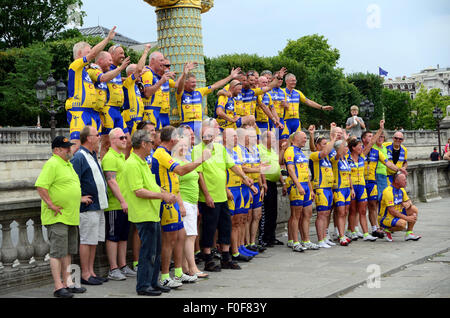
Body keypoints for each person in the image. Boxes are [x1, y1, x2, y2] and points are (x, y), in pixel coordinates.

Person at [192, 119, 255, 272]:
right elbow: (199, 175)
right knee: (209, 228)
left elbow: (232, 166)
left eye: (210, 134)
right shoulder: (197, 150)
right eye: (205, 134)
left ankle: (226, 258)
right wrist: (206, 195)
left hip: (222, 196)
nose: (208, 136)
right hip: (209, 197)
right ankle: (208, 260)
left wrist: (245, 178)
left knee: (225, 227)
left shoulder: (220, 148)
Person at [151, 125, 211, 287]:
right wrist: (201, 159)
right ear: (172, 139)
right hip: (166, 201)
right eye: (178, 136)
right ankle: (164, 275)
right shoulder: (161, 154)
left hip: (174, 199)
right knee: (169, 239)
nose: (180, 139)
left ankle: (179, 272)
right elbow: (181, 171)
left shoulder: (167, 153)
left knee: (180, 235)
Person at [122, 129, 176, 296]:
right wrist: (162, 195)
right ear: (143, 144)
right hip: (143, 213)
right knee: (147, 253)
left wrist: (164, 193)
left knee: (155, 251)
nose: (153, 145)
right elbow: (138, 191)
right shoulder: (132, 164)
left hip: (152, 212)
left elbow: (151, 185)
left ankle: (153, 282)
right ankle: (143, 285)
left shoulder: (143, 162)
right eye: (151, 143)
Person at [35, 136, 85, 298]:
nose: (69, 149)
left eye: (68, 146)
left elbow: (69, 187)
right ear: (57, 150)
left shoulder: (67, 164)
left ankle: (68, 282)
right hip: (57, 216)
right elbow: (41, 186)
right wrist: (51, 204)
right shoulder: (52, 163)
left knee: (68, 251)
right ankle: (58, 286)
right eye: (65, 147)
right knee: (57, 252)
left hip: (70, 216)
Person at [66, 27, 117, 153]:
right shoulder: (75, 66)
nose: (91, 54)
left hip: (91, 112)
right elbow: (94, 54)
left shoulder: (87, 73)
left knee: (94, 148)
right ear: (79, 54)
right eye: (88, 52)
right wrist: (107, 39)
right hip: (79, 111)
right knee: (76, 145)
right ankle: (70, 171)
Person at [70, 126, 109, 285]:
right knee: (87, 240)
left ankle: (91, 271)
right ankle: (85, 273)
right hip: (88, 208)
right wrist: (79, 197)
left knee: (94, 240)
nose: (100, 137)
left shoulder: (92, 155)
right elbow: (73, 181)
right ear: (89, 138)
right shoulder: (79, 157)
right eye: (97, 135)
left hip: (98, 205)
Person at [101, 128, 136, 281]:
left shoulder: (121, 156)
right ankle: (113, 268)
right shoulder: (110, 157)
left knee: (123, 237)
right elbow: (111, 181)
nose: (125, 140)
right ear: (112, 140)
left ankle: (122, 265)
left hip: (124, 203)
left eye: (125, 137)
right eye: (121, 138)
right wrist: (122, 200)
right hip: (115, 204)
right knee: (113, 236)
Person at [172, 131, 208, 278]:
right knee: (190, 236)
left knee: (189, 235)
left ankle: (186, 267)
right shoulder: (175, 162)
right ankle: (192, 268)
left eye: (186, 145)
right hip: (184, 201)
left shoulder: (186, 161)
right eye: (181, 145)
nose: (184, 148)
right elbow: (175, 186)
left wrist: (196, 204)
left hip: (192, 202)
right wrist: (181, 205)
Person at [176, 68, 242, 140]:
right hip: (186, 124)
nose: (195, 84)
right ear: (185, 83)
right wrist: (184, 74)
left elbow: (215, 85)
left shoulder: (199, 92)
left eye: (195, 82)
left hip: (199, 124)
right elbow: (179, 87)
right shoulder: (181, 94)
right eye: (192, 82)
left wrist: (231, 76)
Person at [87, 50, 131, 159]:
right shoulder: (94, 70)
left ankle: (122, 168)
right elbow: (104, 78)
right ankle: (105, 171)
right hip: (105, 110)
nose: (111, 63)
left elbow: (111, 78)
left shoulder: (109, 71)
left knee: (127, 141)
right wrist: (120, 68)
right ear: (101, 60)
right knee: (105, 143)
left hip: (115, 111)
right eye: (109, 60)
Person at [223, 128, 256, 262]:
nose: (236, 139)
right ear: (225, 138)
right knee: (231, 222)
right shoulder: (222, 151)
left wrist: (250, 184)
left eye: (237, 136)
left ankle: (240, 247)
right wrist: (225, 189)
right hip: (230, 189)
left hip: (240, 188)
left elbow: (240, 171)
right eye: (233, 137)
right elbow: (220, 173)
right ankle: (233, 250)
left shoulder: (237, 152)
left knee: (240, 220)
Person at [284, 131, 317, 251]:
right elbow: (291, 170)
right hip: (296, 186)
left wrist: (311, 189)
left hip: (306, 186)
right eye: (303, 138)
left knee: (307, 214)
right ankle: (294, 241)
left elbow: (306, 173)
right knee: (296, 215)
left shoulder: (301, 152)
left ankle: (306, 240)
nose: (305, 140)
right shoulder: (290, 151)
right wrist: (298, 186)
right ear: (295, 138)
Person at [309, 124, 337, 248]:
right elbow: (325, 152)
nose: (326, 146)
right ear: (317, 146)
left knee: (326, 214)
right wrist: (333, 139)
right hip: (320, 188)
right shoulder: (315, 155)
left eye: (327, 143)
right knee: (321, 214)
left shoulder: (326, 159)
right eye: (323, 143)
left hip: (328, 188)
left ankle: (325, 237)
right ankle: (320, 239)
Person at [281, 73, 333, 138]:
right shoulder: (281, 92)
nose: (294, 82)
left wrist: (322, 107)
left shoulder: (298, 93)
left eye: (295, 80)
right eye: (292, 81)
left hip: (296, 122)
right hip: (285, 121)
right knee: (284, 143)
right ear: (286, 81)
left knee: (297, 142)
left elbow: (308, 101)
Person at [241, 127, 267, 254]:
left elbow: (260, 169)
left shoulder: (255, 149)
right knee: (247, 216)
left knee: (257, 215)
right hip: (246, 185)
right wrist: (257, 170)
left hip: (256, 185)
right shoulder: (241, 150)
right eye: (251, 136)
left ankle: (252, 241)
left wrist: (262, 186)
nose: (254, 139)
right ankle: (245, 243)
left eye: (254, 136)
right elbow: (243, 169)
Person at [258, 130, 285, 247]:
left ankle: (271, 236)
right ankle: (264, 238)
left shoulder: (272, 151)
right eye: (273, 138)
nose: (275, 141)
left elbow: (277, 166)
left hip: (273, 183)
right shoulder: (259, 149)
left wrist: (283, 182)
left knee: (273, 212)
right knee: (266, 212)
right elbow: (260, 167)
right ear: (265, 139)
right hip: (266, 183)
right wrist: (263, 183)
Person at [122, 45, 152, 144]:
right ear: (131, 74)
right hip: (131, 119)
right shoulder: (128, 83)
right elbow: (138, 70)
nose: (141, 74)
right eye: (139, 73)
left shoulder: (136, 85)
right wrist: (146, 51)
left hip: (138, 119)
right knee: (131, 145)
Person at [378, 172, 421, 242]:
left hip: (397, 213)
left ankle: (409, 233)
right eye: (404, 180)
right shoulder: (388, 191)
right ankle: (385, 230)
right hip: (385, 217)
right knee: (402, 224)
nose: (406, 182)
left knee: (414, 209)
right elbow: (392, 211)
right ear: (396, 181)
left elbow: (409, 201)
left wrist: (408, 204)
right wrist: (407, 218)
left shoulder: (401, 190)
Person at [329, 139, 353, 246]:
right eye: (345, 146)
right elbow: (337, 155)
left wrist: (352, 189)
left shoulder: (346, 159)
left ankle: (342, 233)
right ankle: (341, 235)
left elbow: (349, 175)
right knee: (340, 212)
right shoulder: (336, 159)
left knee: (345, 212)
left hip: (347, 189)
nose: (347, 148)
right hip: (338, 189)